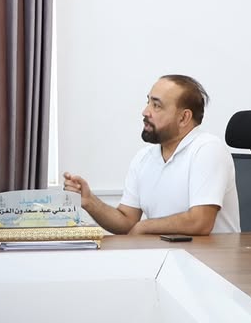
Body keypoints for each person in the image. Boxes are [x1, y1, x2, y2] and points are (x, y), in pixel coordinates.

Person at [64, 74, 240, 236]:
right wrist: (90, 202)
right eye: (148, 102)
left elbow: (199, 222)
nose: (145, 111)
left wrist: (143, 227)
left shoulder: (208, 149)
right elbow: (126, 221)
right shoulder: (144, 157)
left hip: (210, 258)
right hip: (162, 255)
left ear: (183, 118)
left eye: (156, 105)